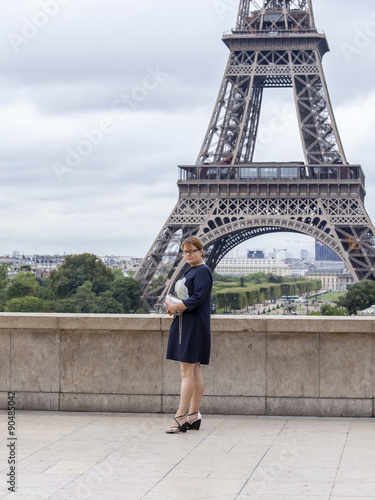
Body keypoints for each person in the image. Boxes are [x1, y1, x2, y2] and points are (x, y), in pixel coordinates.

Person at [164, 237, 213, 434]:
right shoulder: (193, 270)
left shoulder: (202, 271)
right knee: (194, 370)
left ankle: (180, 417)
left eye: (192, 251)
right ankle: (193, 415)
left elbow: (198, 298)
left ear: (202, 251)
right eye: (185, 252)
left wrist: (176, 306)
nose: (188, 254)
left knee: (186, 373)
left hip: (191, 326)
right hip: (190, 323)